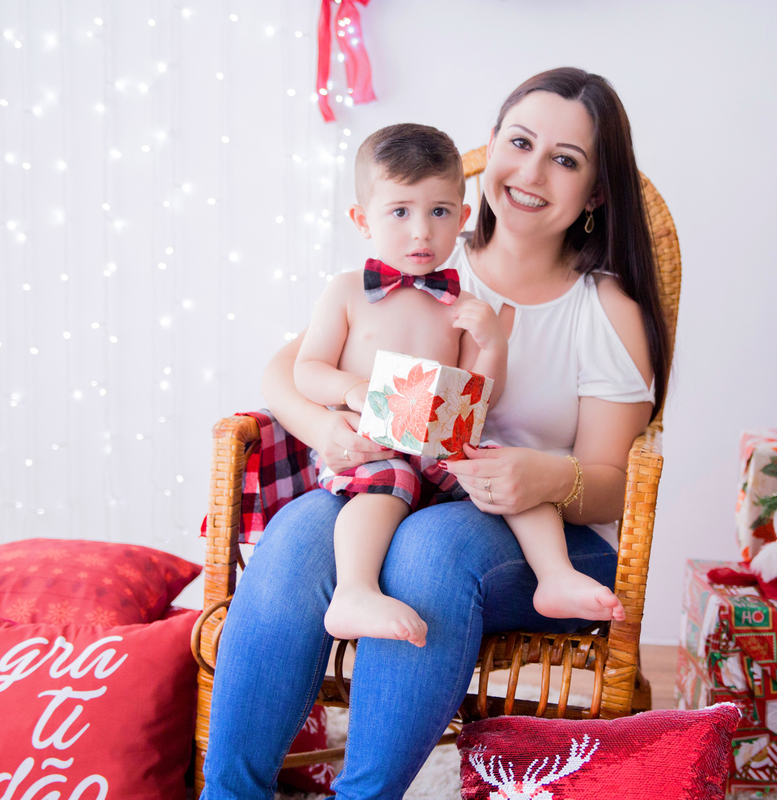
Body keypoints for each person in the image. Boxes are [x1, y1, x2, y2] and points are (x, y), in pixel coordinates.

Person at [203, 67, 671, 799]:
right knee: (301, 532)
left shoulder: (604, 311)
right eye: (520, 142)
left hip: (541, 532)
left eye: (567, 159)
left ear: (596, 192)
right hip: (401, 481)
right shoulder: (424, 258)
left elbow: (613, 484)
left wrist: (540, 476)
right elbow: (282, 373)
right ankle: (227, 793)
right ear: (488, 149)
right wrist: (328, 427)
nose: (532, 170)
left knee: (433, 545)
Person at [294, 122, 624, 649]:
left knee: (504, 468)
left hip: (437, 442)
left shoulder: (460, 300)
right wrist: (355, 391)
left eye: (439, 212)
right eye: (400, 212)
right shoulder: (347, 292)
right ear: (362, 221)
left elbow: (480, 397)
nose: (421, 232)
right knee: (389, 484)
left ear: (463, 217)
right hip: (372, 444)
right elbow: (305, 369)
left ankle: (555, 576)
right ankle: (354, 592)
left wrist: (492, 342)